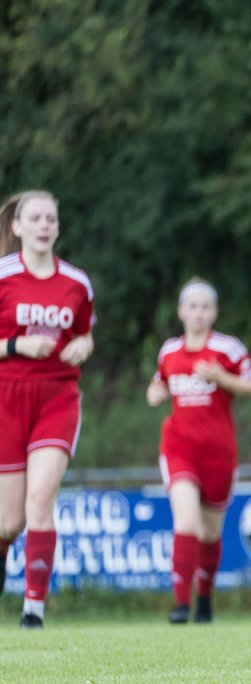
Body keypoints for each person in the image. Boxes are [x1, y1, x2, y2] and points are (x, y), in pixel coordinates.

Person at [0, 190, 96, 629]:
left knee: (42, 499)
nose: (44, 225)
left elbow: (85, 335)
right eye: (35, 218)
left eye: (50, 219)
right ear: (17, 226)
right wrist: (17, 345)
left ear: (57, 227)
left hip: (57, 397)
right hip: (6, 398)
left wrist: (84, 344)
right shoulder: (3, 276)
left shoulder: (77, 283)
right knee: (9, 521)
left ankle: (33, 611)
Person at [147, 278, 251, 624]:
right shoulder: (169, 351)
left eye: (205, 307)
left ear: (214, 312)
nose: (198, 313)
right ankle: (180, 605)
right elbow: (159, 381)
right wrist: (155, 392)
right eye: (192, 306)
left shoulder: (228, 349)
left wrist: (221, 378)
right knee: (187, 522)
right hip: (179, 448)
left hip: (218, 453)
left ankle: (205, 599)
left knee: (210, 533)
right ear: (181, 311)